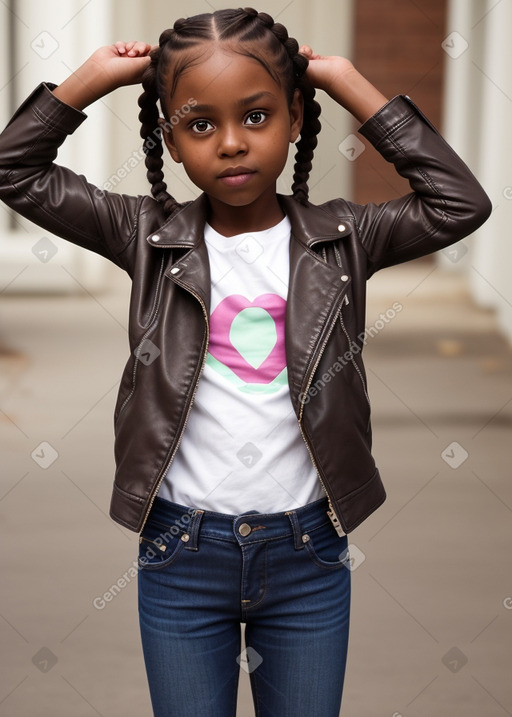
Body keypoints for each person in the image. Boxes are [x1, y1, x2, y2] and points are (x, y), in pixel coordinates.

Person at [0, 7, 491, 717]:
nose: (231, 144)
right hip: (180, 552)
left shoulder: (346, 239)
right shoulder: (145, 234)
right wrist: (88, 81)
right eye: (200, 124)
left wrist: (349, 83)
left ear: (295, 117)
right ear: (169, 138)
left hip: (308, 554)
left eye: (257, 116)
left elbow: (459, 203)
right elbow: (14, 169)